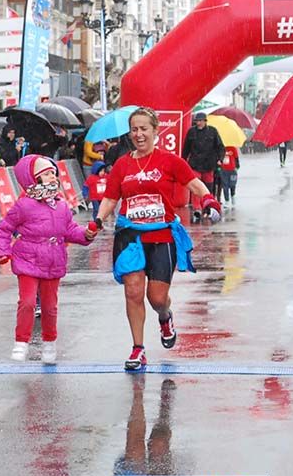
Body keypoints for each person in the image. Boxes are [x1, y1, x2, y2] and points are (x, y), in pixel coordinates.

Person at [95, 107, 222, 371]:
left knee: (157, 298)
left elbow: (193, 183)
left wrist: (209, 199)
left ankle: (165, 318)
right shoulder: (122, 164)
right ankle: (138, 349)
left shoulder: (169, 160)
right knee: (132, 291)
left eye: (144, 129)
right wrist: (97, 221)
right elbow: (110, 197)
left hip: (162, 235)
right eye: (134, 130)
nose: (138, 134)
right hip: (130, 235)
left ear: (155, 131)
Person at [0, 155, 96, 364]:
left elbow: (69, 229)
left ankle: (50, 343)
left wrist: (85, 234)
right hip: (27, 259)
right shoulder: (24, 205)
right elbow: (4, 229)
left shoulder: (62, 206)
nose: (53, 177)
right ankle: (21, 342)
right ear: (34, 179)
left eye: (53, 174)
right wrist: (2, 252)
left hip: (53, 260)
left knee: (49, 307)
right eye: (47, 174)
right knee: (28, 302)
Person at [181, 112, 224, 223]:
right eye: (197, 121)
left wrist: (220, 159)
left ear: (205, 121)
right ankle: (197, 208)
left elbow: (220, 146)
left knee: (208, 187)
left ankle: (208, 207)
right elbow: (186, 148)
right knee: (196, 186)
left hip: (209, 164)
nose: (198, 123)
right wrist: (183, 160)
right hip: (195, 163)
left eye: (200, 121)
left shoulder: (213, 131)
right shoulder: (191, 132)